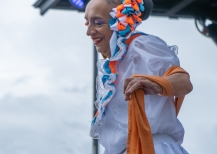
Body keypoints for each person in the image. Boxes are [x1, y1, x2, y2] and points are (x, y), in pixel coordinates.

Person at [71, 0, 193, 153]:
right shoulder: (116, 65)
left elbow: (183, 81)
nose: (89, 31)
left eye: (98, 23)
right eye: (87, 23)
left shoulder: (140, 45)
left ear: (120, 21)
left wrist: (156, 84)